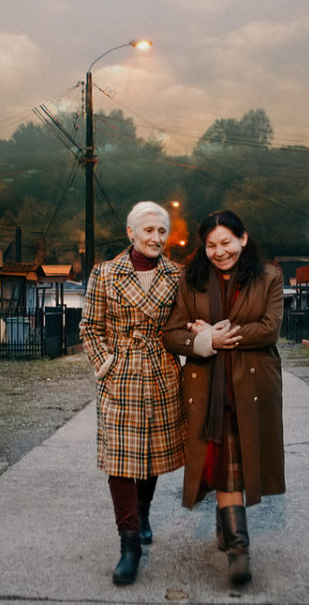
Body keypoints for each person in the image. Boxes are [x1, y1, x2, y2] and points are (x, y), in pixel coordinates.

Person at [162, 210, 285, 586]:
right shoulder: (192, 278)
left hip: (251, 386)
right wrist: (202, 340)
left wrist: (221, 335)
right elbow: (171, 333)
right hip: (206, 387)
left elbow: (269, 329)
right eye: (211, 245)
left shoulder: (269, 276)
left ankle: (230, 533)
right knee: (224, 466)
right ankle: (238, 550)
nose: (219, 252)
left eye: (226, 243)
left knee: (237, 465)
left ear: (243, 239)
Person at [79, 201, 186, 586]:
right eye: (149, 230)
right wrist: (105, 363)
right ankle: (129, 545)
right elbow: (89, 326)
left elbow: (185, 324)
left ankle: (143, 512)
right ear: (131, 233)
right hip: (120, 374)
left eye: (162, 231)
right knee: (121, 458)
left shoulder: (178, 275)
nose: (156, 237)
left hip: (161, 371)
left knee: (152, 454)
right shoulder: (105, 274)